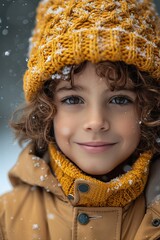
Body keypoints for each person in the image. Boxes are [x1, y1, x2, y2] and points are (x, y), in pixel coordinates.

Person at [0, 0, 160, 239]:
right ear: (46, 109)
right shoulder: (7, 219)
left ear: (149, 106)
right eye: (73, 100)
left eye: (119, 100)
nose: (96, 122)